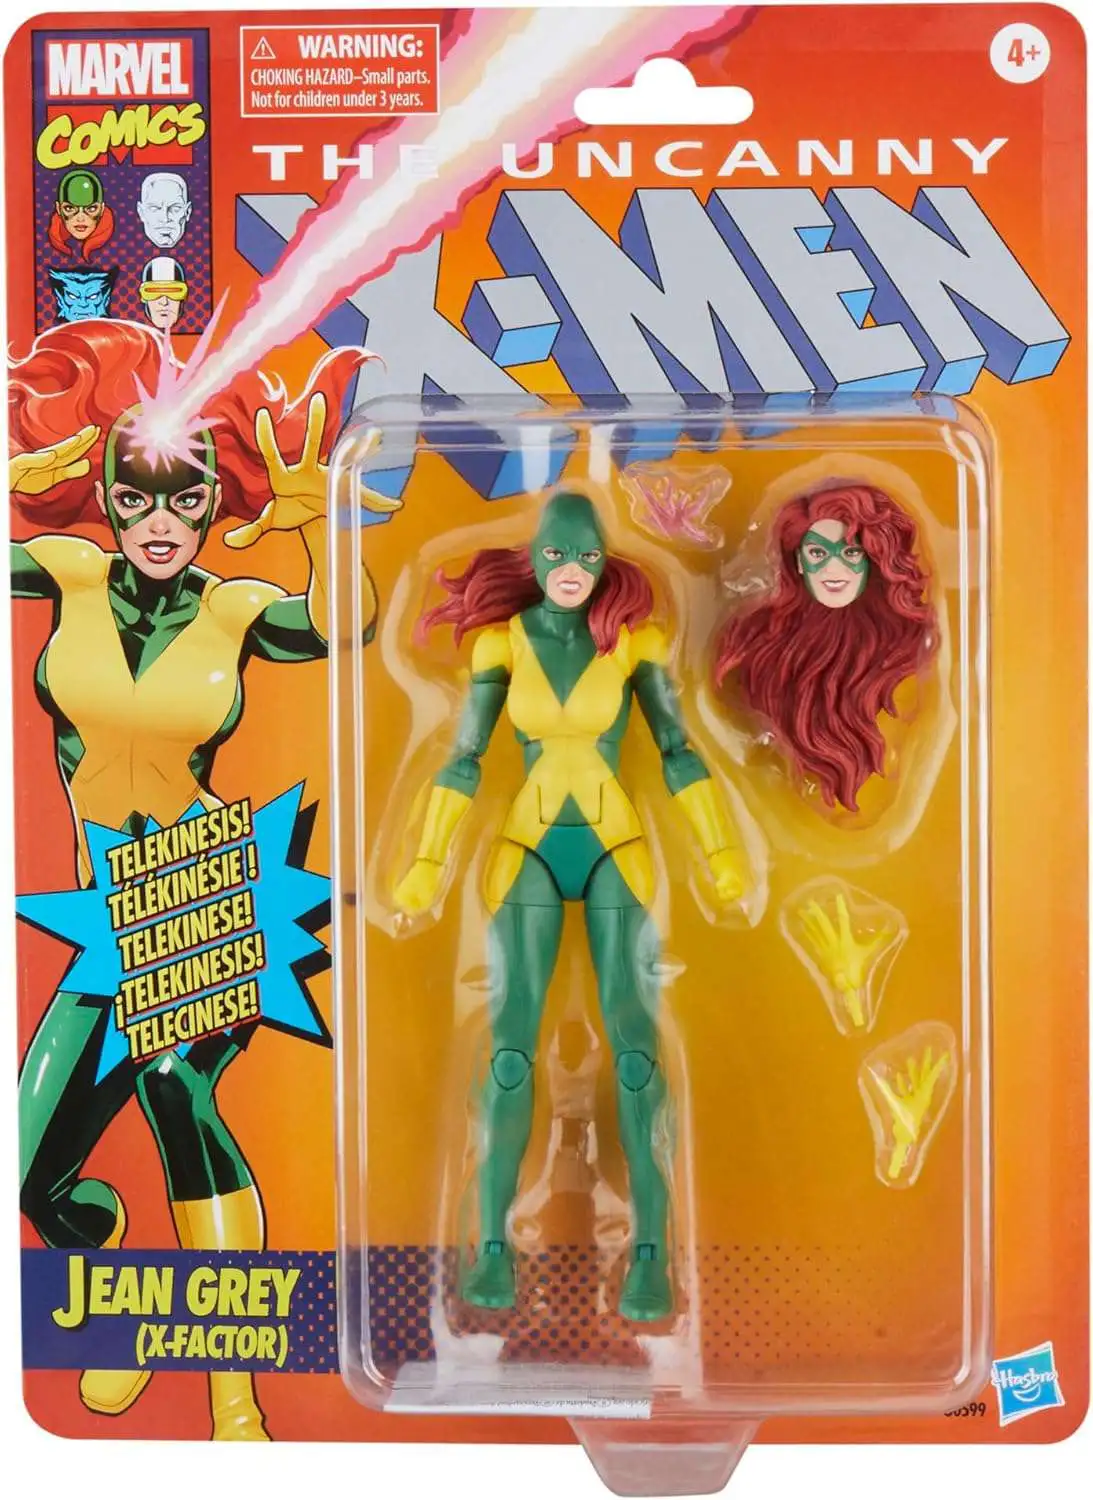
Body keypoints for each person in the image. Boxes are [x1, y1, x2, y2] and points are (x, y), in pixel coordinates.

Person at [10, 318, 394, 1437]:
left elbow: (344, 624)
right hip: (103, 918)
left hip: (205, 889)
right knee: (33, 1178)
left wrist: (320, 521)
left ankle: (235, 1400)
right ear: (107, 497)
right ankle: (128, 1295)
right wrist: (19, 479)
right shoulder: (69, 572)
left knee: (179, 1089)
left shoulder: (233, 607)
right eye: (136, 498)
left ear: (215, 500)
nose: (160, 522)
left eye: (184, 499)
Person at [393, 491, 747, 1321]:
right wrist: (424, 865)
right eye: (556, 555)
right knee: (509, 1050)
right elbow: (463, 756)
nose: (571, 570)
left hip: (615, 847)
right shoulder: (501, 643)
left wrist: (722, 855)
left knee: (634, 1051)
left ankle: (649, 1256)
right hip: (526, 849)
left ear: (602, 559)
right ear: (534, 558)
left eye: (586, 557)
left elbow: (676, 746)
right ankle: (490, 1248)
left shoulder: (632, 641)